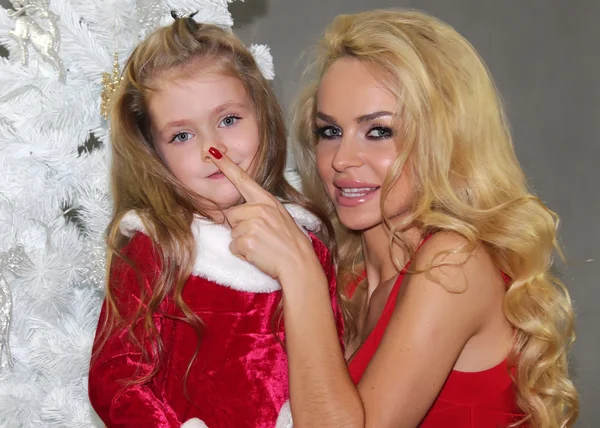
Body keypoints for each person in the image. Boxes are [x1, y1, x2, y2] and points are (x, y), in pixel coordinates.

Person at [205, 8, 579, 428]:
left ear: (443, 137)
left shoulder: (453, 265)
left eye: (379, 131)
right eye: (329, 131)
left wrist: (299, 272)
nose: (342, 160)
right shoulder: (349, 281)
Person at [87, 16, 343, 428]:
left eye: (228, 120)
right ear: (155, 153)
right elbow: (116, 381)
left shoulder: (305, 240)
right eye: (182, 136)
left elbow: (333, 362)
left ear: (262, 116)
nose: (213, 149)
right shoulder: (156, 245)